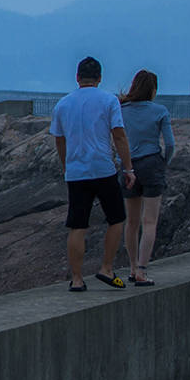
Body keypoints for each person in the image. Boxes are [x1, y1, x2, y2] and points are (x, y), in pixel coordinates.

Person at [50, 56, 137, 292]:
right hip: (103, 169)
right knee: (116, 218)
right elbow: (119, 136)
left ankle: (77, 279)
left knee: (78, 226)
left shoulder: (63, 104)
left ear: (77, 77)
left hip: (76, 172)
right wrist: (128, 168)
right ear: (99, 78)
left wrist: (66, 165)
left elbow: (59, 140)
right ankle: (106, 268)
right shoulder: (109, 101)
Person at [118, 69, 175, 286]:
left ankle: (132, 268)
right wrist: (164, 162)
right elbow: (170, 144)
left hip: (129, 166)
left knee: (131, 222)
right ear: (153, 90)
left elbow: (116, 138)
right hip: (152, 164)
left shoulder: (122, 110)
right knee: (149, 221)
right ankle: (142, 269)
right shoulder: (160, 111)